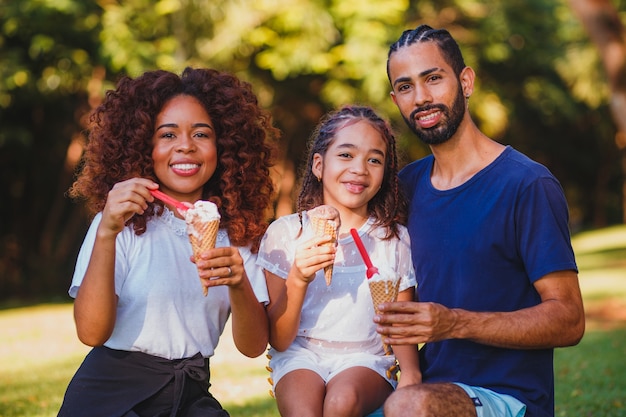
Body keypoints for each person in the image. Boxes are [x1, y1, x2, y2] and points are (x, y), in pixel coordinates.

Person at [374, 24, 586, 417]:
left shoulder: (527, 184)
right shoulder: (404, 188)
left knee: (409, 406)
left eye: (433, 78)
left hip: (510, 399)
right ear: (395, 99)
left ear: (465, 81)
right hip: (424, 386)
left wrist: (453, 323)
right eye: (405, 87)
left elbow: (569, 319)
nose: (421, 98)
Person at [58, 67, 279, 417]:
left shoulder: (239, 234)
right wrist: (107, 233)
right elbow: (91, 333)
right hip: (108, 396)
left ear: (225, 146)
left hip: (190, 394)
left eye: (201, 133)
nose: (186, 146)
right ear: (144, 146)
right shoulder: (120, 224)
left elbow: (252, 348)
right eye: (168, 134)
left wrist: (238, 284)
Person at [256, 105, 421, 417]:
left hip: (366, 357)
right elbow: (279, 339)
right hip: (299, 352)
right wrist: (299, 278)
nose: (360, 168)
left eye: (374, 159)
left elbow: (400, 318)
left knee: (339, 403)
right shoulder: (285, 235)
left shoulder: (393, 239)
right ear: (319, 165)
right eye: (346, 155)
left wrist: (411, 373)